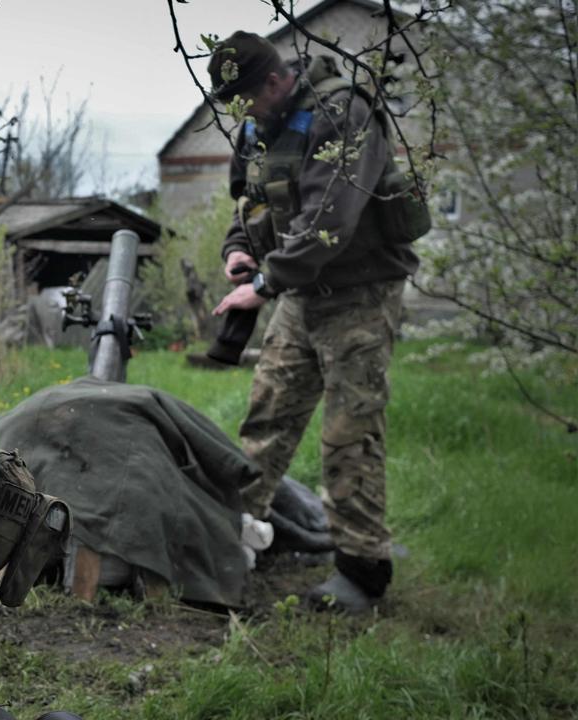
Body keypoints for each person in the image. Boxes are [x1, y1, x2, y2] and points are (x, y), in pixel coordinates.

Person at [206, 31, 420, 613]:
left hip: (359, 293)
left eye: (246, 99)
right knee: (268, 417)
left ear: (275, 81)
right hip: (299, 294)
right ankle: (238, 538)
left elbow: (330, 222)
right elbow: (247, 202)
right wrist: (238, 252)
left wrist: (263, 285)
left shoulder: (342, 114)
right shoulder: (255, 124)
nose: (240, 114)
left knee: (350, 433)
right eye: (232, 105)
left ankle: (362, 570)